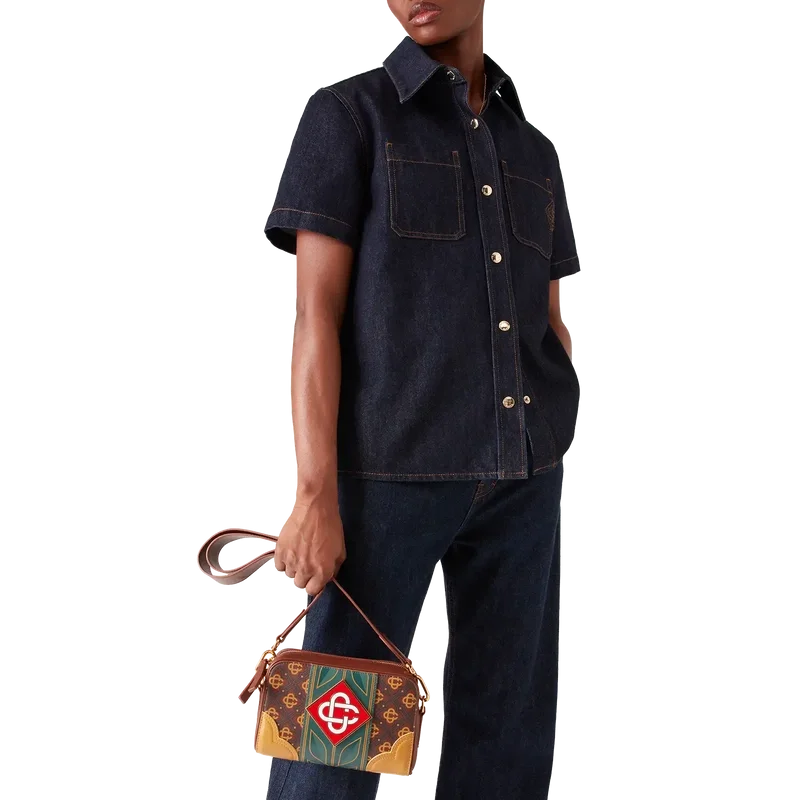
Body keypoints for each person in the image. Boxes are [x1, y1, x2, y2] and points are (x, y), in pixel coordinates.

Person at [262, 1, 581, 798]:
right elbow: (316, 319)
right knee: (335, 739)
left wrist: (552, 421)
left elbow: (547, 318)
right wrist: (314, 495)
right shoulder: (350, 116)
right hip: (387, 480)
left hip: (524, 479)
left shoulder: (532, 151)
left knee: (507, 730)